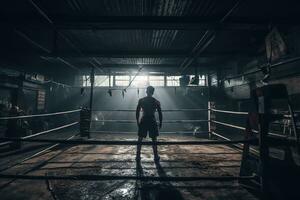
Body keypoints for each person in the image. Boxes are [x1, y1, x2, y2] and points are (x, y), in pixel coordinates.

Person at [136, 86, 162, 162]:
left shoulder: (141, 100)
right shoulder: (156, 101)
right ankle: (156, 156)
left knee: (140, 138)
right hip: (152, 120)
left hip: (144, 120)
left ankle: (138, 155)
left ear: (146, 91)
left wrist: (137, 121)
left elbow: (137, 112)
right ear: (153, 92)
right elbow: (160, 113)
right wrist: (161, 122)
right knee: (154, 139)